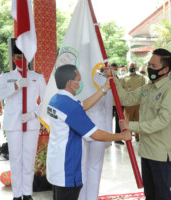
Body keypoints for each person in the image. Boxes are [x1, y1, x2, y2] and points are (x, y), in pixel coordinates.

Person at [46, 64, 131, 200]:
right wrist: (121, 136)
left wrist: (104, 89)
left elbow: (83, 105)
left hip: (57, 165)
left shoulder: (56, 99)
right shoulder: (70, 107)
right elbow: (94, 134)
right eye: (78, 80)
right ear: (70, 83)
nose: (80, 83)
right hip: (68, 168)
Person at [117, 48, 171, 200]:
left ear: (165, 69)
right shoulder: (148, 87)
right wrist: (114, 80)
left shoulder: (170, 91)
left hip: (160, 151)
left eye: (154, 65)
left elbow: (162, 121)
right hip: (146, 150)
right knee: (150, 193)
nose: (150, 68)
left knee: (162, 194)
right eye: (149, 64)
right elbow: (127, 98)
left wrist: (130, 126)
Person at [0, 42, 46, 200]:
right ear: (13, 58)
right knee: (16, 159)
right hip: (13, 123)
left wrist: (33, 114)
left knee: (29, 159)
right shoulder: (7, 76)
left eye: (24, 57)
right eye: (18, 57)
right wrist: (16, 86)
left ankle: (27, 193)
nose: (21, 60)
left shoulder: (37, 77)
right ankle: (17, 194)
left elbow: (46, 101)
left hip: (30, 123)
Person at [78, 67, 113, 200]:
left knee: (95, 166)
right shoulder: (75, 80)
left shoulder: (103, 80)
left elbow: (108, 109)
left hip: (99, 127)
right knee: (81, 167)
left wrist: (108, 134)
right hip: (79, 127)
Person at [121, 62, 148, 141]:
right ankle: (127, 137)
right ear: (127, 67)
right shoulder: (124, 78)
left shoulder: (141, 77)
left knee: (138, 121)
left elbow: (146, 89)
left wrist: (143, 97)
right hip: (128, 104)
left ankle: (138, 137)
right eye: (130, 66)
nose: (132, 68)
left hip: (139, 103)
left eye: (133, 66)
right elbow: (121, 89)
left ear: (136, 67)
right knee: (128, 121)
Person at [110, 63, 125, 145]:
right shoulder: (106, 79)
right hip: (110, 104)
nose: (114, 71)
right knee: (108, 121)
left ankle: (118, 138)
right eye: (113, 69)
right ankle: (107, 138)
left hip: (119, 103)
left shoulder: (120, 79)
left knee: (119, 122)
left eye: (116, 69)